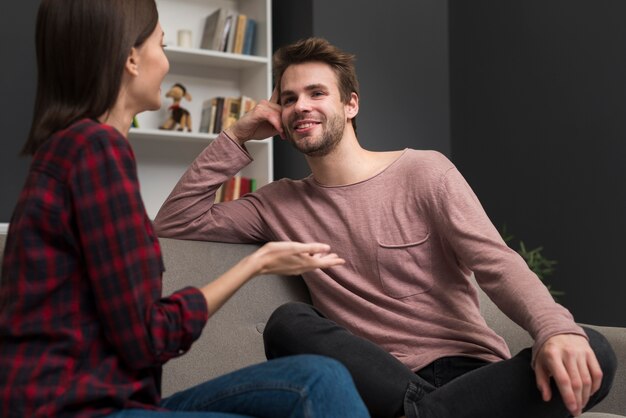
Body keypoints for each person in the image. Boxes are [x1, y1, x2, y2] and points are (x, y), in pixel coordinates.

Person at [153, 37, 617, 418]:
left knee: (594, 349)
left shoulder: (424, 171)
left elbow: (495, 262)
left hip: (473, 376)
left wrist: (556, 331)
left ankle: (426, 413)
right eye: (288, 98)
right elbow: (175, 220)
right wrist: (237, 135)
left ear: (351, 104)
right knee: (289, 323)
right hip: (379, 382)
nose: (300, 107)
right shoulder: (279, 202)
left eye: (317, 93)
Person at [0, 3, 370, 417]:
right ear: (131, 58)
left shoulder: (78, 149)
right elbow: (151, 336)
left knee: (318, 379)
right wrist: (257, 263)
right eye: (162, 43)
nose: (167, 59)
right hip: (82, 409)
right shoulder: (94, 151)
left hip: (123, 400)